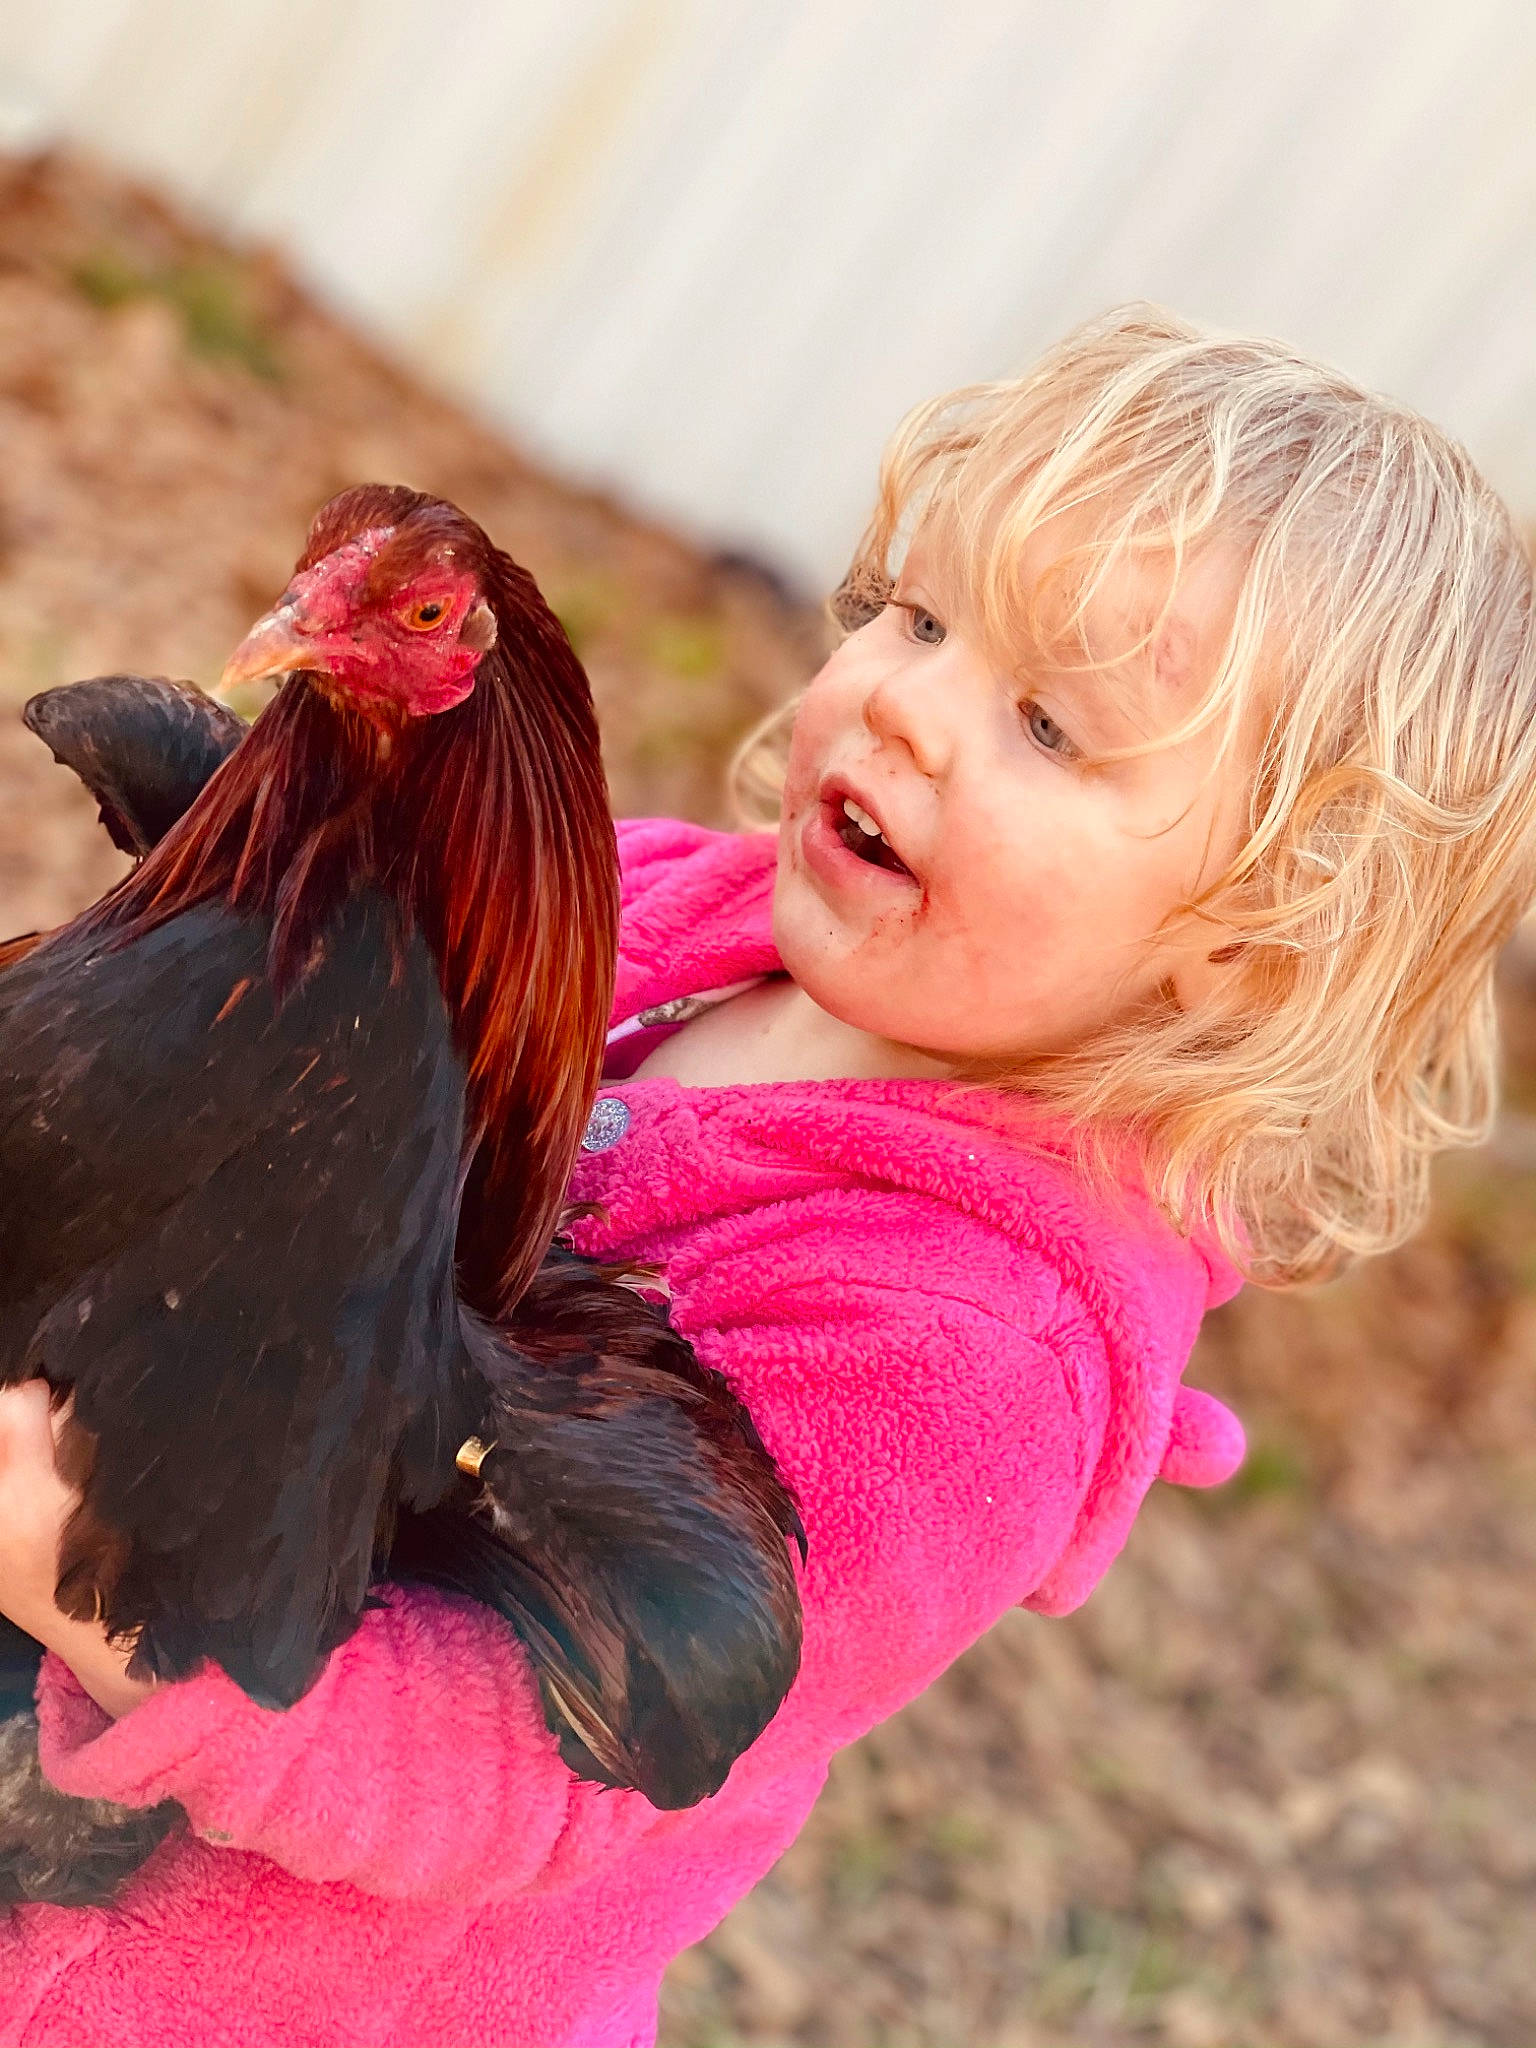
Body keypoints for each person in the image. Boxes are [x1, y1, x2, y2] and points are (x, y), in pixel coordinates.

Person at [1, 304, 1533, 2047]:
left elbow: (541, 1761)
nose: (907, 705)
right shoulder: (654, 912)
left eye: (1047, 721)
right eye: (916, 612)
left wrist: (87, 1569)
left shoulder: (965, 1363)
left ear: (1246, 949)